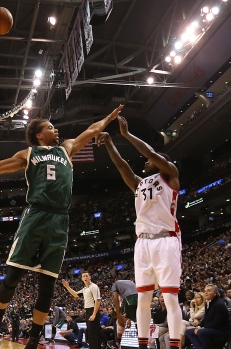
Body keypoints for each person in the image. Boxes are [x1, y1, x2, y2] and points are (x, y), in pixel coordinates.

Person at [0, 105, 124, 349]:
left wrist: (109, 117)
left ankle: (33, 340)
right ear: (39, 135)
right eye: (50, 127)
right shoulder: (29, 154)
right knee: (13, 277)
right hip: (36, 216)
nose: (56, 130)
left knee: (47, 288)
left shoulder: (67, 149)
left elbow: (92, 130)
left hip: (60, 220)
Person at [96, 117, 183, 349]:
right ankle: (142, 346)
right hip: (143, 243)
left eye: (149, 160)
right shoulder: (140, 183)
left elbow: (151, 152)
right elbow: (122, 165)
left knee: (170, 298)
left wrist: (125, 134)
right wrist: (108, 143)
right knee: (143, 298)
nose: (145, 162)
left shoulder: (170, 174)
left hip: (166, 239)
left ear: (162, 162)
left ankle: (174, 345)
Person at [62, 272, 102, 349]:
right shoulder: (85, 289)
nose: (85, 277)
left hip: (93, 310)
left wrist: (94, 314)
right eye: (84, 276)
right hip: (88, 311)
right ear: (82, 279)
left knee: (93, 334)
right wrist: (67, 287)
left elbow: (97, 300)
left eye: (87, 276)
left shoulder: (94, 286)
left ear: (90, 277)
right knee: (90, 333)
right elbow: (75, 294)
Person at [183, 285, 229, 349]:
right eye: (205, 291)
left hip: (221, 330)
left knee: (201, 332)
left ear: (215, 293)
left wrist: (203, 328)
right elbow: (205, 318)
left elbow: (217, 323)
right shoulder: (208, 303)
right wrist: (199, 326)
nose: (206, 293)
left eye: (209, 291)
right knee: (189, 332)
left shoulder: (219, 304)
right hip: (212, 328)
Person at [111, 279, 137, 344]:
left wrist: (119, 318)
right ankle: (143, 344)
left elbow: (116, 300)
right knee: (137, 320)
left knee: (121, 316)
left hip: (129, 297)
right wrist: (129, 319)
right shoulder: (129, 282)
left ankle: (118, 342)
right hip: (139, 296)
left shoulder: (114, 285)